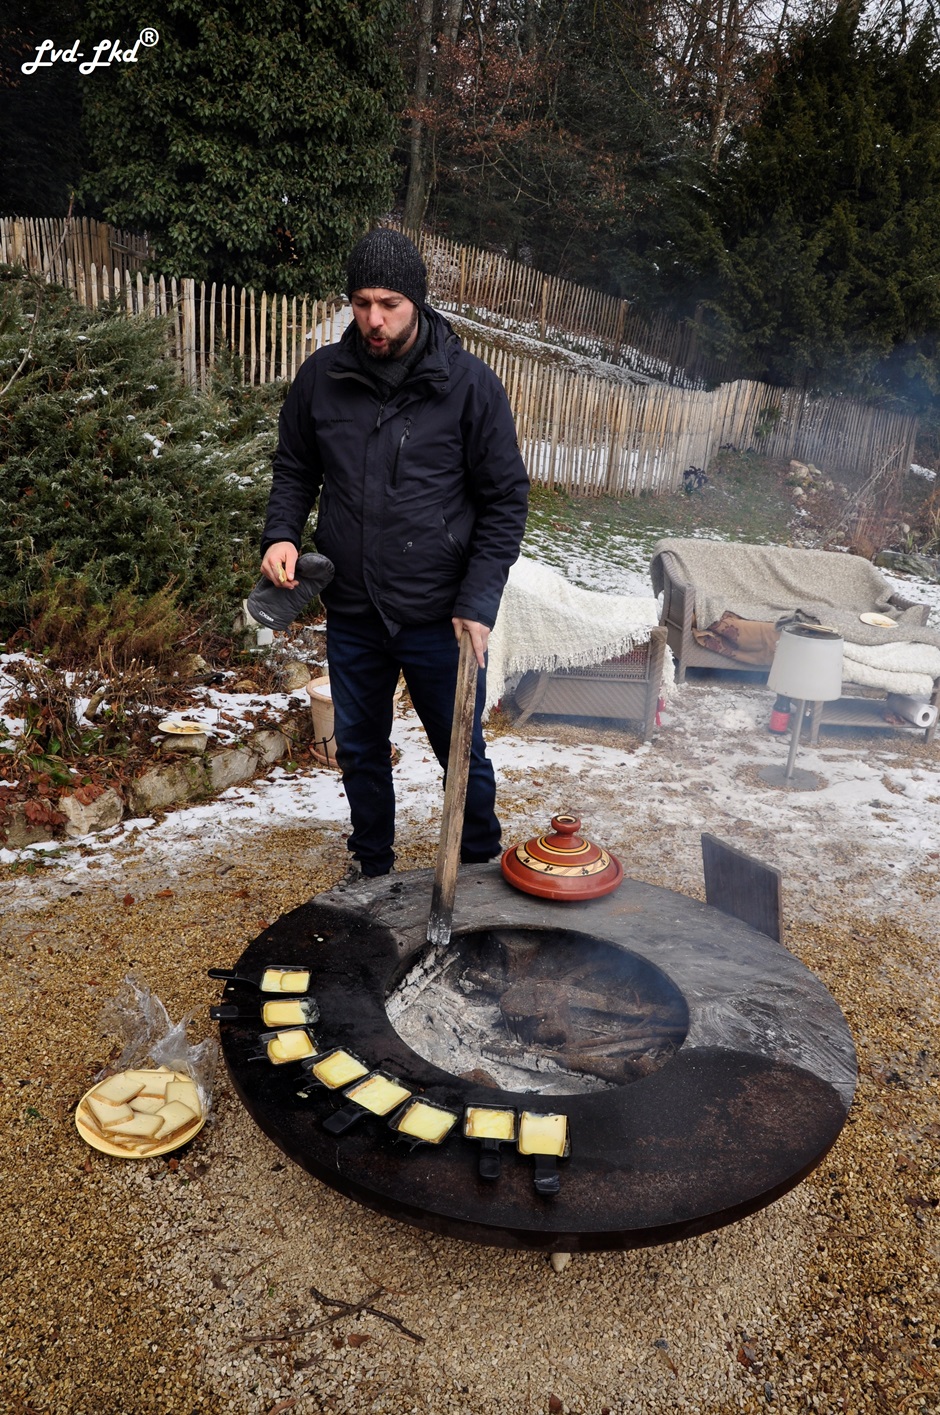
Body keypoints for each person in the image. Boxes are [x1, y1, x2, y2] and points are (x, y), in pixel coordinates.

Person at [260, 229, 529, 877]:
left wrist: (478, 600)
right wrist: (281, 533)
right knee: (357, 748)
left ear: (417, 302)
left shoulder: (468, 386)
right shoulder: (323, 378)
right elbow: (295, 467)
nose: (374, 319)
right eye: (361, 303)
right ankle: (372, 865)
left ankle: (477, 867)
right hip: (355, 609)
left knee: (460, 751)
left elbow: (505, 500)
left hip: (441, 613)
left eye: (389, 304)